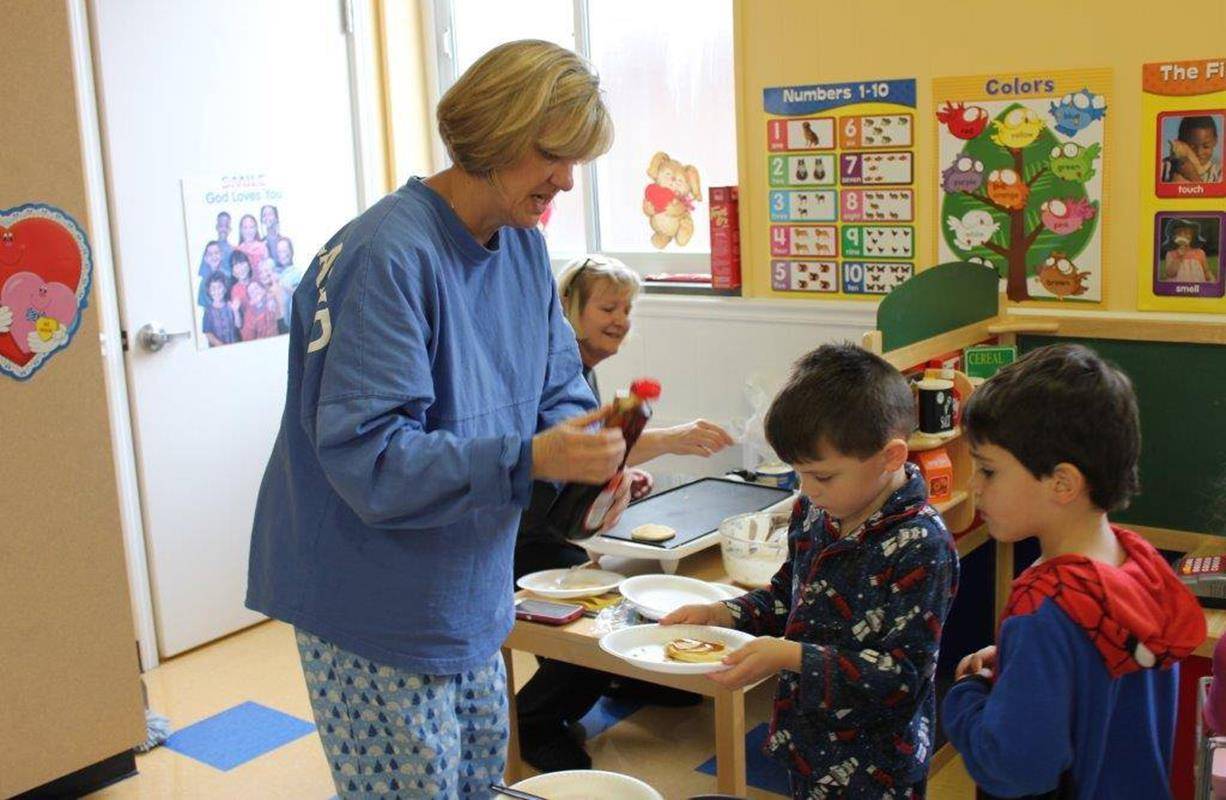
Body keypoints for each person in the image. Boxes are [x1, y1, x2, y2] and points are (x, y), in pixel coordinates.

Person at [246, 40, 624, 800]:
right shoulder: (388, 255)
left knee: (476, 781)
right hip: (368, 596)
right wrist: (530, 460)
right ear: (490, 133)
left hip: (468, 588)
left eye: (576, 159)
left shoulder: (522, 243)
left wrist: (590, 454)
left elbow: (557, 384)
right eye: (552, 154)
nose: (565, 179)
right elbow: (374, 462)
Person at [663, 343, 958, 799]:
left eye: (822, 476)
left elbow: (902, 676)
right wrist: (722, 615)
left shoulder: (923, 545)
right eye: (799, 473)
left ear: (891, 457)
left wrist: (789, 656)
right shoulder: (815, 510)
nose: (806, 490)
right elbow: (786, 596)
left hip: (876, 766)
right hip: (808, 741)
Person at [942, 344, 1206, 799]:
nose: (973, 486)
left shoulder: (1043, 610)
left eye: (987, 471)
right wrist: (1016, 666)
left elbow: (1017, 770)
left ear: (1062, 483)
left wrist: (965, 697)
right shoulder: (1138, 562)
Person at [513, 254, 735, 772]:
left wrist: (620, 477)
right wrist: (671, 440)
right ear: (568, 310)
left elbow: (590, 453)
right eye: (607, 307)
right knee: (599, 619)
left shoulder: (580, 371)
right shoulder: (550, 366)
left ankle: (619, 674)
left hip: (549, 528)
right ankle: (534, 720)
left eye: (627, 309)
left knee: (612, 601)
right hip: (521, 533)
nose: (620, 320)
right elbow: (576, 448)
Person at [1166, 115, 1222, 184]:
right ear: (1180, 142)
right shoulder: (1166, 167)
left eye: (1206, 146)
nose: (1199, 152)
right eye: (1191, 147)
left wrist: (1193, 176)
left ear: (1215, 141)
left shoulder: (1220, 172)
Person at [1162, 219, 1211, 283]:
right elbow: (1170, 273)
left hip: (1196, 288)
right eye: (1179, 233)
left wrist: (1211, 280)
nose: (1183, 235)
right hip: (1178, 287)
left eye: (1187, 233)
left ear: (1192, 237)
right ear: (1173, 237)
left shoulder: (1200, 252)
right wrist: (1179, 257)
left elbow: (1206, 271)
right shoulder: (1171, 253)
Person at [201, 271, 239, 347]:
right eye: (213, 289)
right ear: (209, 291)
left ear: (225, 289)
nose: (217, 291)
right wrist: (221, 346)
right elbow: (208, 333)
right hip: (218, 350)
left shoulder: (230, 306)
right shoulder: (208, 311)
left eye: (219, 287)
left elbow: (238, 325)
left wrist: (235, 311)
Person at [273, 236, 303, 327]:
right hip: (279, 322)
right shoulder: (276, 273)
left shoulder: (298, 273)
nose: (282, 255)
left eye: (285, 251)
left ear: (291, 251)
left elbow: (299, 295)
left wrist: (282, 284)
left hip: (292, 324)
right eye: (279, 252)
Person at [239, 276, 280, 341]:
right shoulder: (249, 316)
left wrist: (270, 298)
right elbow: (248, 338)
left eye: (257, 288)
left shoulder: (272, 300)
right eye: (252, 292)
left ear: (263, 290)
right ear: (251, 300)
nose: (255, 292)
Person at [195, 240, 226, 308]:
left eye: (216, 253)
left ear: (222, 255)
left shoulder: (228, 276)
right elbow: (204, 306)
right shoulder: (203, 282)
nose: (214, 257)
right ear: (206, 259)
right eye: (210, 254)